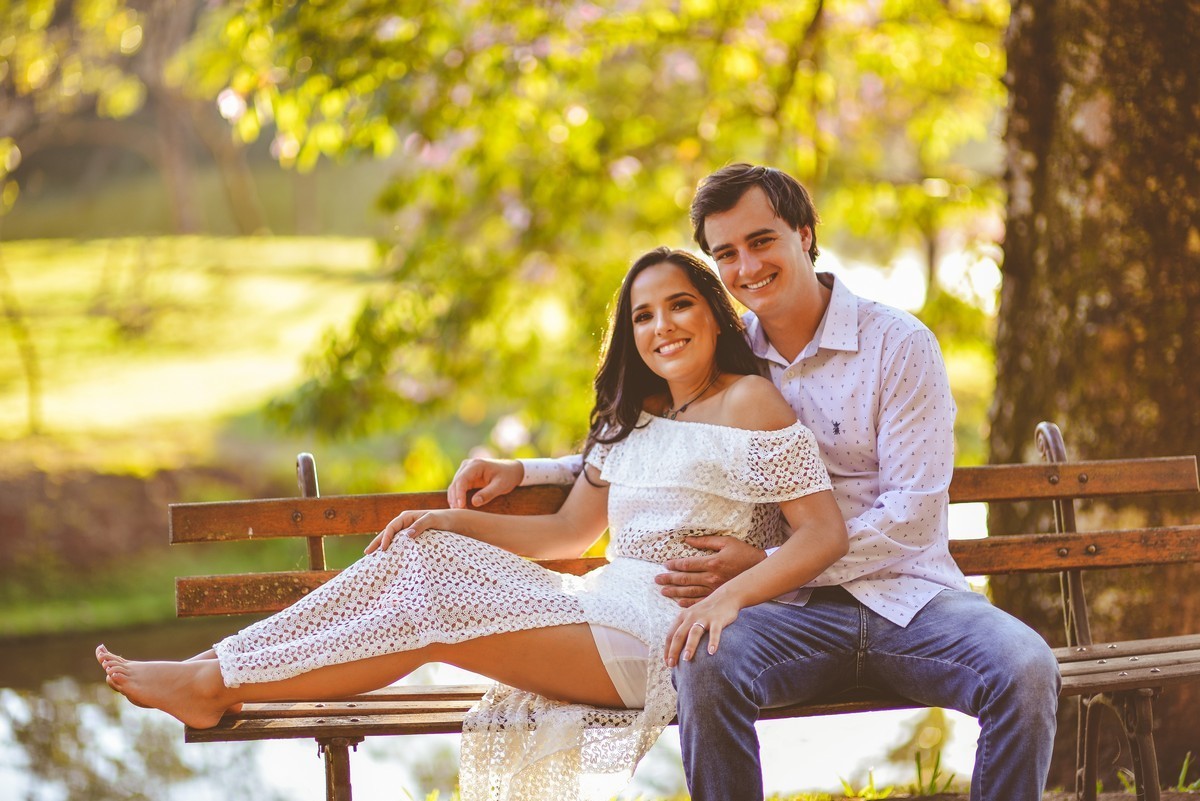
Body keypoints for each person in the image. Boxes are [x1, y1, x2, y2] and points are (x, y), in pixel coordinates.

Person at [96, 246, 848, 801]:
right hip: (603, 607)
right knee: (422, 557)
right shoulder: (631, 420)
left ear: (715, 313)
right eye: (643, 315)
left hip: (669, 637)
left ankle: (217, 684)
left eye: (680, 305)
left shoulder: (751, 403)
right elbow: (565, 536)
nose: (663, 327)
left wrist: (737, 586)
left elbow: (823, 533)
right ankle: (215, 669)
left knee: (436, 612)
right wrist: (446, 522)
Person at [448, 164, 1060, 800]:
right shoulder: (726, 345)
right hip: (781, 615)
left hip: (908, 601)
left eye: (762, 241)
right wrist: (530, 471)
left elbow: (912, 514)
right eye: (726, 253)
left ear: (805, 234)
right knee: (703, 662)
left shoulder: (897, 344)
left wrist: (764, 565)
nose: (746, 267)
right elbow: (662, 447)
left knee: (1024, 667)